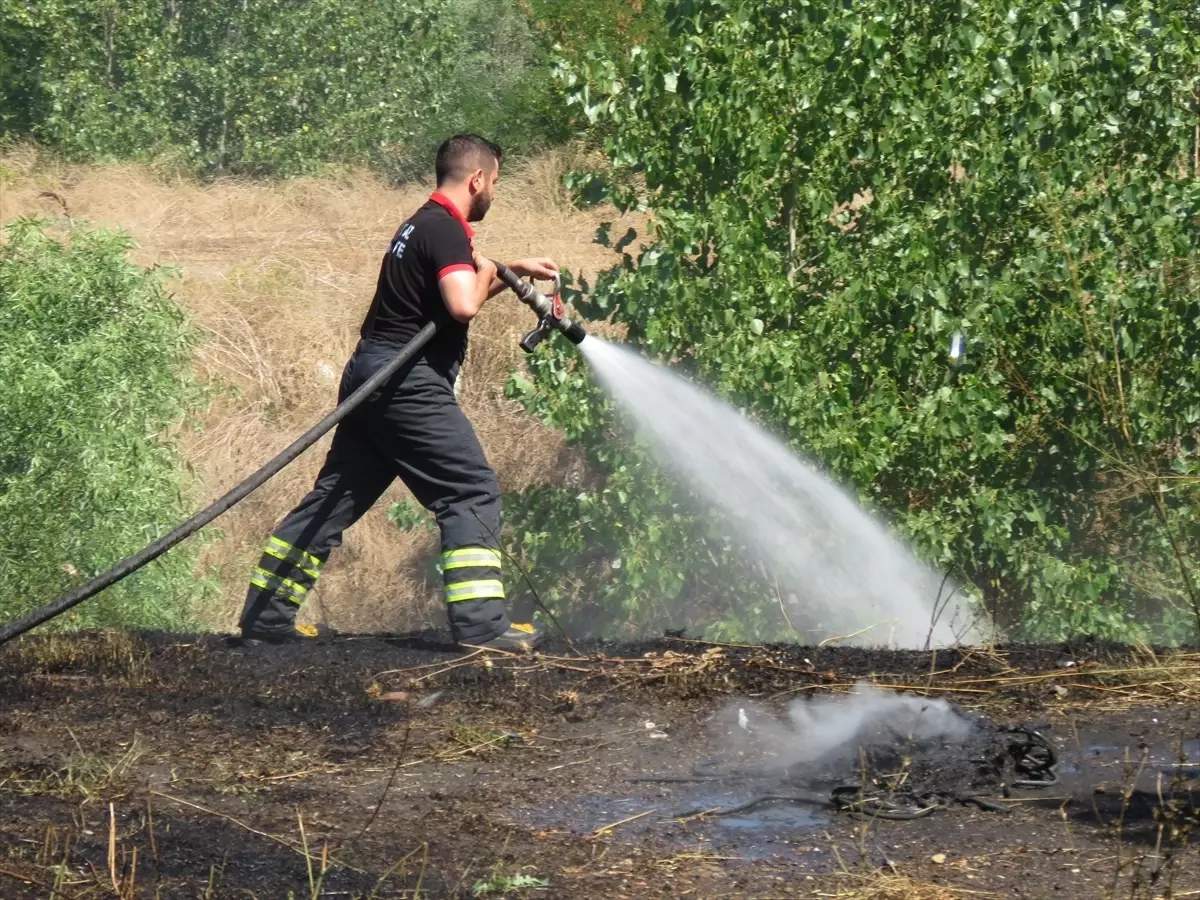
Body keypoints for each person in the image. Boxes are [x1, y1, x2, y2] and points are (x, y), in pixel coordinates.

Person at [236, 133, 554, 651]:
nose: (494, 192)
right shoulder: (446, 230)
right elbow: (461, 306)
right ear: (477, 179)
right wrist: (491, 269)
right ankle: (482, 627)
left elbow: (446, 299)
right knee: (470, 490)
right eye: (494, 182)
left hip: (373, 374)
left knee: (338, 493)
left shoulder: (419, 225)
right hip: (407, 381)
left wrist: (508, 272)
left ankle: (266, 617)